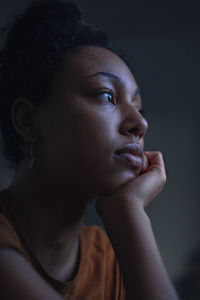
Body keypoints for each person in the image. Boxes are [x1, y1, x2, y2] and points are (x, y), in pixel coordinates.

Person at [0, 0, 180, 299]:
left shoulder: (109, 257)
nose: (140, 123)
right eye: (107, 96)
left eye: (139, 107)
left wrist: (127, 211)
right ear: (29, 120)